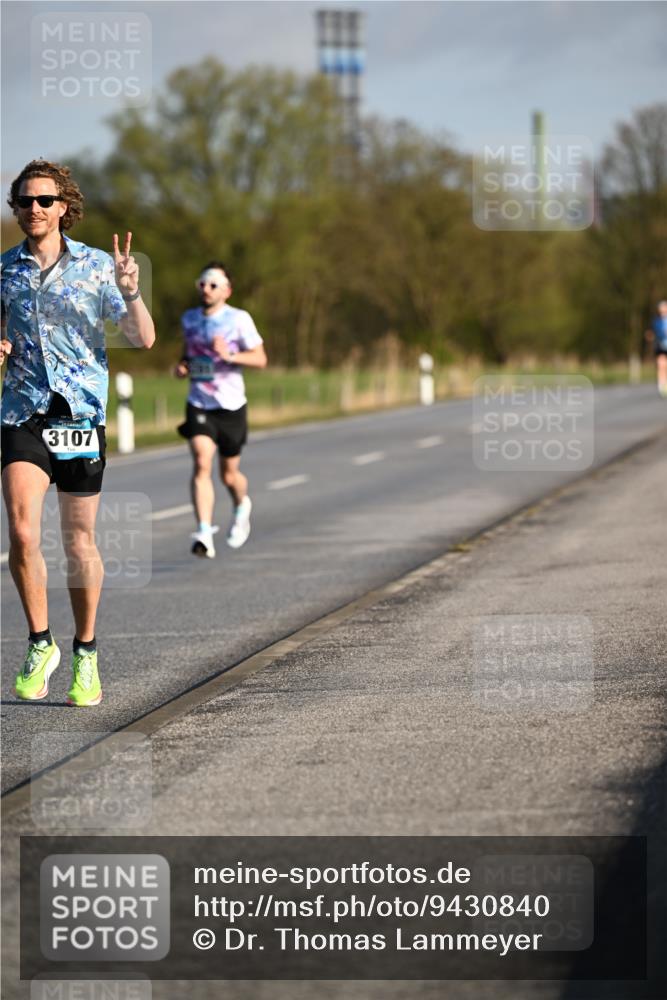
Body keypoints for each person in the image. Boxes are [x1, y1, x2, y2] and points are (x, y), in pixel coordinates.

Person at [0, 159, 155, 706]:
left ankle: (85, 651)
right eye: (23, 201)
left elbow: (143, 338)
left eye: (43, 200)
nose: (33, 209)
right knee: (21, 533)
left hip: (79, 418)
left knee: (77, 541)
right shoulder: (4, 271)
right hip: (21, 413)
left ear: (64, 207)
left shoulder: (96, 268)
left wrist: (131, 291)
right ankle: (40, 641)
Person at [174, 262, 267, 558]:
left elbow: (261, 359)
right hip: (199, 401)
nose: (207, 289)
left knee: (229, 475)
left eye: (214, 284)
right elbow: (187, 356)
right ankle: (204, 531)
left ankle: (241, 505)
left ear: (227, 291)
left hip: (231, 405)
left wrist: (231, 354)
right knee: (202, 462)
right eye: (202, 283)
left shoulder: (239, 319)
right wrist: (181, 367)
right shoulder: (189, 319)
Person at [645, 300, 667, 397]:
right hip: (660, 345)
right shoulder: (656, 321)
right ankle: (662, 386)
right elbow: (651, 333)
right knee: (661, 364)